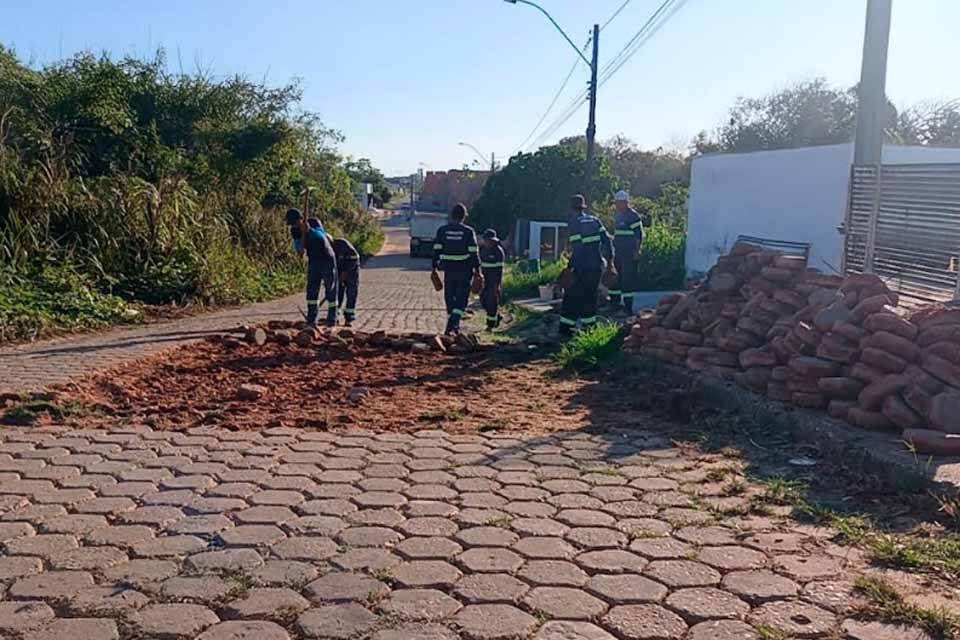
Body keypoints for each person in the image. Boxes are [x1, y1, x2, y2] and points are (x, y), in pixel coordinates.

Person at [559, 194, 613, 337]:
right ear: (583, 207)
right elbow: (607, 241)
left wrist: (569, 267)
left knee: (571, 298)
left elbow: (578, 249)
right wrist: (610, 262)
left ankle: (566, 330)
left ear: (572, 208)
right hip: (596, 267)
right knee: (590, 297)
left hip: (581, 268)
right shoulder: (595, 220)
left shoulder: (574, 223)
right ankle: (590, 329)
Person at [432, 203, 481, 335]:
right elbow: (474, 252)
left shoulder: (442, 230)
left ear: (452, 215)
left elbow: (436, 250)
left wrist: (434, 268)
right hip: (464, 269)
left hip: (449, 269)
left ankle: (453, 325)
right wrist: (478, 271)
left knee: (450, 296)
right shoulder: (468, 231)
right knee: (462, 298)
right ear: (464, 216)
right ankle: (453, 324)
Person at [287, 205, 338, 327]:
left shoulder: (314, 222)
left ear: (300, 219)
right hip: (313, 260)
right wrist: (300, 247)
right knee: (312, 290)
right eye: (292, 224)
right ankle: (312, 319)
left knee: (330, 288)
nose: (293, 226)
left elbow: (322, 237)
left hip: (326, 258)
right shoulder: (294, 231)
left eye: (295, 223)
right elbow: (299, 247)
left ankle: (332, 319)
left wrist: (309, 230)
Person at [610, 190, 646, 311]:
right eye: (616, 202)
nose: (616, 205)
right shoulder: (618, 216)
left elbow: (639, 235)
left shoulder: (632, 216)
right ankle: (614, 305)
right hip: (618, 253)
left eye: (618, 202)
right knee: (615, 279)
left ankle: (627, 308)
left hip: (629, 254)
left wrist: (637, 251)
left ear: (625, 202)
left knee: (627, 281)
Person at [479, 228, 506, 330]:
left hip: (493, 281)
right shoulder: (482, 250)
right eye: (487, 240)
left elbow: (500, 271)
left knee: (492, 301)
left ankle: (490, 325)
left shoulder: (498, 252)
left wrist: (497, 285)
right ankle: (496, 316)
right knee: (483, 300)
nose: (489, 242)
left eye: (491, 240)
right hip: (484, 280)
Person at [334, 237, 361, 326]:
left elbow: (355, 257)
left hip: (352, 271)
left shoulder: (343, 244)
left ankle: (349, 318)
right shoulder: (326, 249)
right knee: (337, 294)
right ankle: (335, 317)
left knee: (351, 294)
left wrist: (345, 272)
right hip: (339, 271)